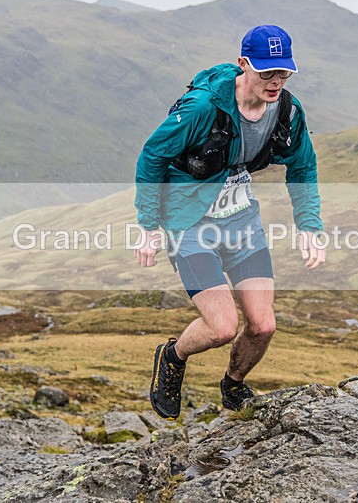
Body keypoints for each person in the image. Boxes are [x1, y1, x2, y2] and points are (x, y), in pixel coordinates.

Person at [134, 24, 325, 420]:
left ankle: (234, 385)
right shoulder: (203, 109)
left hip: (242, 224)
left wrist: (309, 226)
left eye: (283, 73)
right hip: (190, 224)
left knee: (263, 326)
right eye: (266, 72)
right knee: (222, 327)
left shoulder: (287, 111)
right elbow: (151, 156)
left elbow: (303, 166)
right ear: (243, 64)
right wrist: (149, 225)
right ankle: (172, 356)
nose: (275, 82)